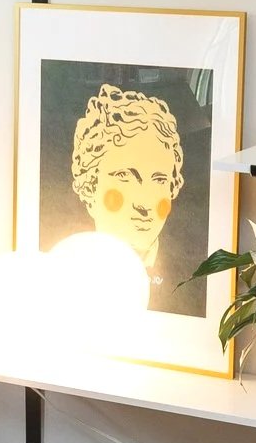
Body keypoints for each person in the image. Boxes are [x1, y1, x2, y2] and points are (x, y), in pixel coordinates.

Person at [68, 82, 185, 306]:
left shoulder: (193, 280)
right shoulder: (63, 276)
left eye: (159, 180)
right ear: (90, 184)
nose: (144, 203)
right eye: (125, 176)